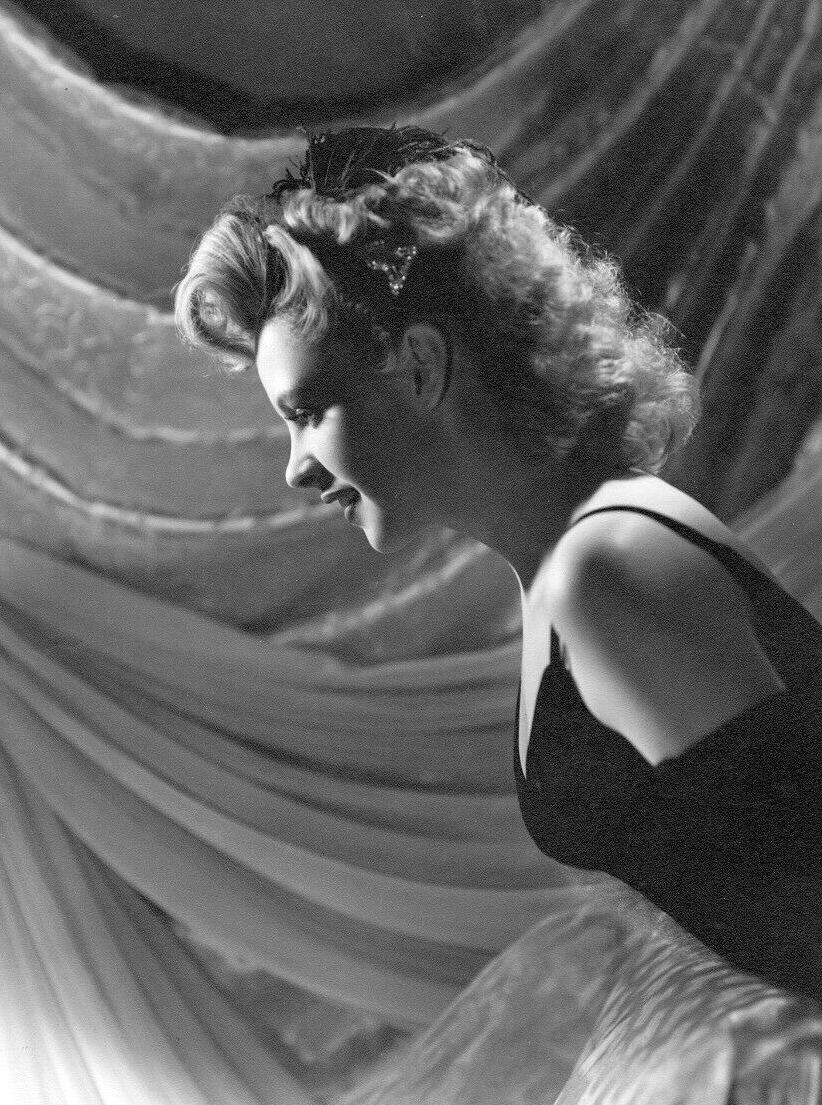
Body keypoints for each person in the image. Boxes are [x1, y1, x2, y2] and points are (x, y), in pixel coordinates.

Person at [175, 125, 822, 1003]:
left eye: (309, 411)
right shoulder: (571, 562)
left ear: (420, 366)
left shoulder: (604, 573)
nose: (296, 467)